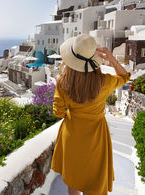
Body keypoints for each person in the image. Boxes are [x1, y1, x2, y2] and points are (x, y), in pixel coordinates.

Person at [51, 34, 130, 195]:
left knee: (73, 180)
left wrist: (73, 116)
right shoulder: (105, 82)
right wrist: (112, 59)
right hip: (96, 136)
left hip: (72, 135)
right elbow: (124, 77)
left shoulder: (63, 83)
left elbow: (58, 112)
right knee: (94, 180)